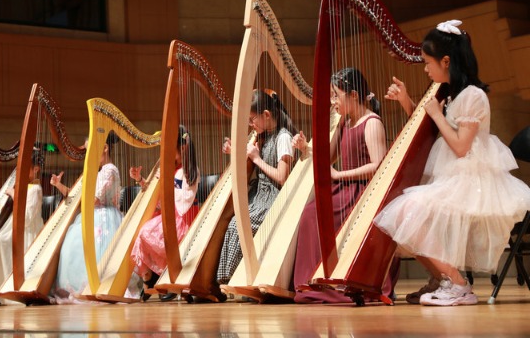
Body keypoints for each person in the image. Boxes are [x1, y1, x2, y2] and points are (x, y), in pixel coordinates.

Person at [374, 19, 530, 306]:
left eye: (427, 62)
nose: (425, 68)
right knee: (401, 216)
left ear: (446, 61)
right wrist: (408, 101)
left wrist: (434, 114)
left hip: (471, 178)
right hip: (451, 176)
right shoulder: (452, 94)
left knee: (406, 212)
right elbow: (434, 136)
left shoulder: (474, 96)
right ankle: (443, 279)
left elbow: (459, 147)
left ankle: (458, 284)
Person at [292, 67, 392, 303]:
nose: (333, 101)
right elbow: (328, 158)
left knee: (314, 214)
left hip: (362, 193)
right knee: (309, 213)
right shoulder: (345, 123)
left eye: (336, 95)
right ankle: (317, 279)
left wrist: (340, 176)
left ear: (354, 95)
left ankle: (334, 282)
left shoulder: (371, 122)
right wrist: (305, 148)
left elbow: (378, 166)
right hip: (346, 187)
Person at [216, 89, 296, 285]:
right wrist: (234, 152)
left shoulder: (283, 137)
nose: (250, 125)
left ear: (266, 115)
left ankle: (238, 280)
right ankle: (233, 280)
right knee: (233, 222)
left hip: (273, 197)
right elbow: (249, 158)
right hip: (259, 194)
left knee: (238, 225)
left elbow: (282, 177)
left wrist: (257, 159)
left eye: (253, 119)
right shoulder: (264, 135)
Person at [53, 131, 129, 299]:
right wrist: (59, 186)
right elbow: (78, 197)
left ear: (104, 148)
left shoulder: (110, 171)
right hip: (93, 215)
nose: (88, 156)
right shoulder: (100, 171)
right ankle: (83, 288)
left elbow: (94, 200)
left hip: (104, 218)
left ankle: (95, 286)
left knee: (86, 245)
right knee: (72, 245)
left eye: (89, 151)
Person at [130, 125, 200, 301]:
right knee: (142, 233)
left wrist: (167, 181)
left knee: (150, 233)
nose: (167, 152)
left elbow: (184, 201)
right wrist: (141, 180)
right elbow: (158, 199)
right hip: (169, 215)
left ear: (182, 147)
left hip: (183, 218)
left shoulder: (190, 171)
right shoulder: (170, 169)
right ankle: (150, 277)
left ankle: (169, 276)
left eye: (170, 147)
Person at [0, 149, 44, 303]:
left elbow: (27, 218)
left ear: (36, 169)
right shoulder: (22, 187)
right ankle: (3, 289)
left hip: (27, 229)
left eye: (25, 167)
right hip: (14, 225)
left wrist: (14, 195)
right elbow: (0, 203)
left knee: (1, 241)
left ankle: (12, 289)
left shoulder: (36, 189)